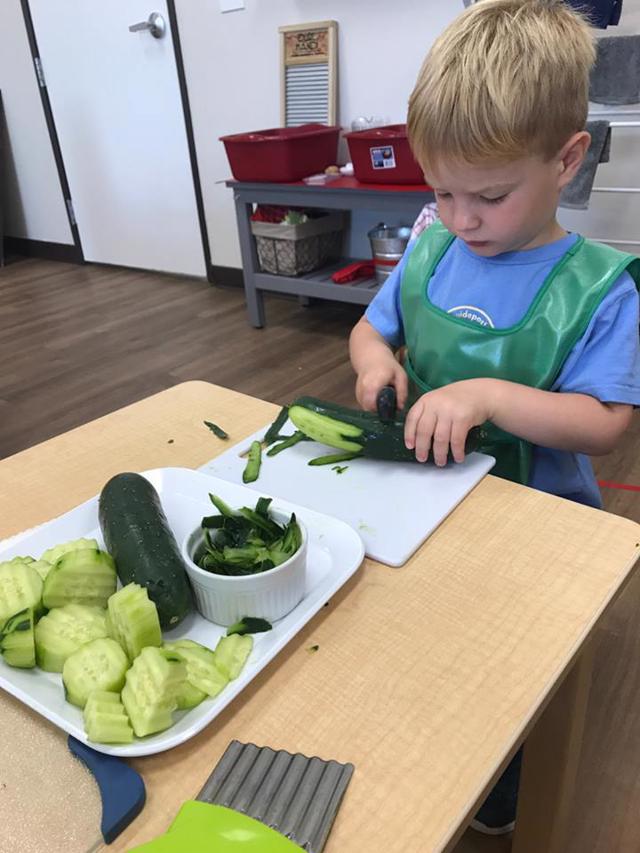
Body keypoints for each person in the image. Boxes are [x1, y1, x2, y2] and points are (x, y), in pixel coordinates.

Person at [349, 0, 640, 835]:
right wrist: (375, 363)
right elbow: (373, 327)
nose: (461, 217)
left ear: (568, 159)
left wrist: (486, 397)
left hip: (537, 528)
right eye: (440, 190)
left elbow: (602, 422)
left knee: (511, 666)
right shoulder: (433, 243)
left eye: (489, 194)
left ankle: (508, 762)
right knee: (431, 633)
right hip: (428, 501)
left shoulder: (599, 287)